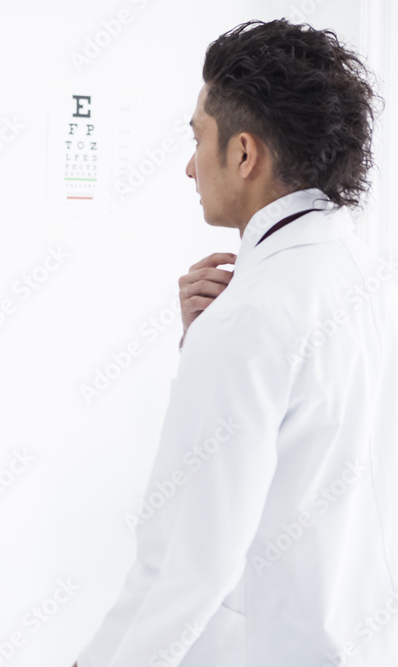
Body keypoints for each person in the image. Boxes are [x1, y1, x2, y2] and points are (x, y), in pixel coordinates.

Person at [76, 20, 397, 667]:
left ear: (245, 154)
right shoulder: (364, 273)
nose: (190, 166)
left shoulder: (248, 317)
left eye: (198, 138)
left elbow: (192, 563)